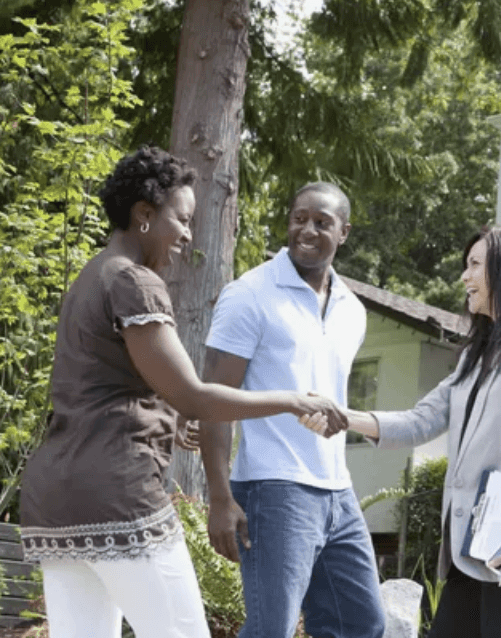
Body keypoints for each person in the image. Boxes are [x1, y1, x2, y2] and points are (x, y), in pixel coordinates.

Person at [18, 147, 345, 638]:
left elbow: (101, 388)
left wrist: (167, 419)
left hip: (55, 499)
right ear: (144, 214)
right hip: (116, 492)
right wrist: (294, 400)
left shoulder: (91, 276)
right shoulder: (134, 282)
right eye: (183, 219)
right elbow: (194, 395)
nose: (189, 235)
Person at [319, 226, 501, 638]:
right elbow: (419, 421)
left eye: (475, 265)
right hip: (470, 548)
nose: (464, 276)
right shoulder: (477, 356)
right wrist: (343, 417)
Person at [198, 181, 386, 638]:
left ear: (343, 232)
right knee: (272, 630)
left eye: (322, 222)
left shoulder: (352, 310)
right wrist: (220, 498)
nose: (307, 230)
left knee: (360, 623)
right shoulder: (249, 294)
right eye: (299, 219)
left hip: (337, 489)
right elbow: (212, 401)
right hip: (273, 487)